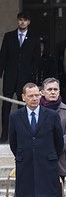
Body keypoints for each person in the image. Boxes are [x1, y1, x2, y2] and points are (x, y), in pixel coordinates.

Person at [9, 83, 63, 197]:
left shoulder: (51, 115)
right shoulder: (16, 117)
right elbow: (13, 142)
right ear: (23, 97)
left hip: (46, 167)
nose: (34, 99)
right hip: (26, 167)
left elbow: (58, 142)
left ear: (41, 96)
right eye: (30, 96)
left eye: (36, 95)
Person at [0, 11, 41, 141]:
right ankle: (4, 134)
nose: (23, 22)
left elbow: (36, 59)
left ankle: (21, 134)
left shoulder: (34, 37)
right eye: (21, 20)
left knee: (22, 105)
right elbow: (3, 57)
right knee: (6, 105)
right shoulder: (9, 36)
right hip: (10, 76)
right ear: (18, 21)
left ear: (29, 22)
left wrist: (33, 76)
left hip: (25, 77)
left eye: (25, 20)